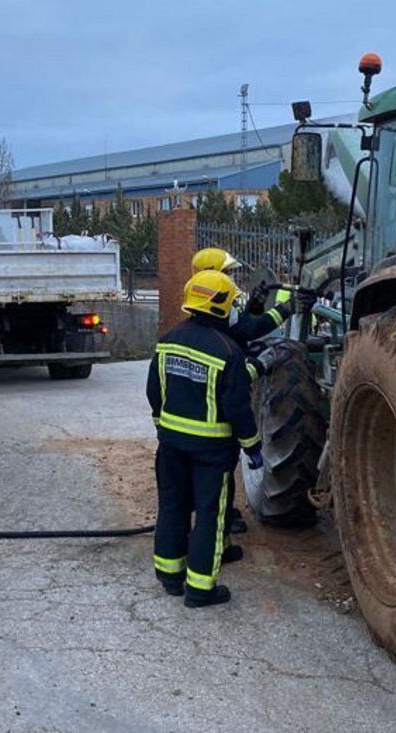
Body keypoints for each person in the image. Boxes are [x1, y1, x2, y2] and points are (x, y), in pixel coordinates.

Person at [147, 269, 268, 608]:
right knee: (211, 517)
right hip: (211, 452)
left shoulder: (168, 340)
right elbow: (236, 407)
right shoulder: (228, 351)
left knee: (172, 506)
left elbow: (155, 391)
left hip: (170, 446)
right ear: (220, 306)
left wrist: (163, 426)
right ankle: (200, 589)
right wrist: (252, 446)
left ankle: (170, 576)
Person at [189, 247, 316, 534]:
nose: (233, 277)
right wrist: (285, 309)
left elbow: (241, 324)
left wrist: (256, 303)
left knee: (202, 461)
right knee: (221, 458)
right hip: (220, 392)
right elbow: (248, 329)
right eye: (228, 272)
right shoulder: (217, 301)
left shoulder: (203, 301)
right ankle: (222, 518)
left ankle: (210, 512)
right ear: (215, 274)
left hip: (205, 395)